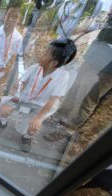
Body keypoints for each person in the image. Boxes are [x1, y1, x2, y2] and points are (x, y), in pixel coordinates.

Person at [0, 38, 77, 151]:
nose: (42, 54)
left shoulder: (63, 76)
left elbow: (51, 101)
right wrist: (16, 91)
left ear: (54, 63)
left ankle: (27, 137)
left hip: (40, 106)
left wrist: (38, 118)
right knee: (4, 108)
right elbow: (22, 82)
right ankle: (2, 122)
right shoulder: (35, 67)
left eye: (46, 54)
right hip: (23, 99)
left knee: (33, 126)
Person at [44, 11, 112, 141]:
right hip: (93, 56)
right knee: (74, 90)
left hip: (108, 69)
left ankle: (67, 129)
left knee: (88, 100)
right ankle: (58, 117)